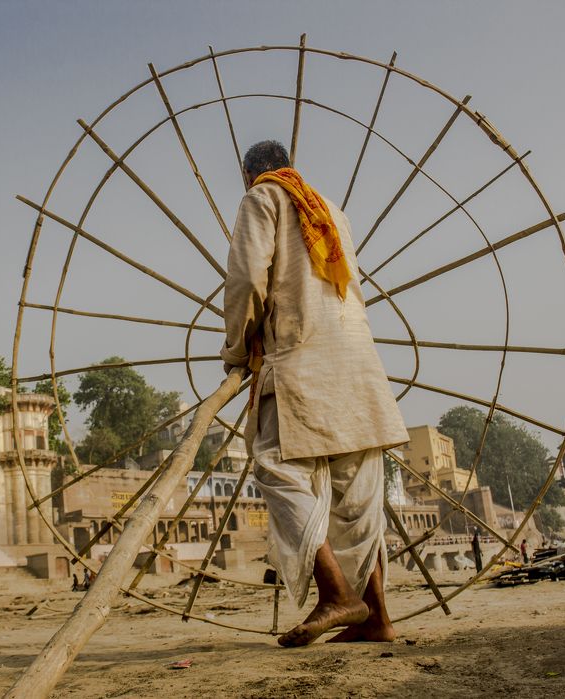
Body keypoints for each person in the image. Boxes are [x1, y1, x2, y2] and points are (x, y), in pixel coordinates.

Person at [221, 140, 408, 647]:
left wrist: (238, 351)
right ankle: (378, 620)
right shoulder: (332, 211)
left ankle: (337, 595)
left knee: (277, 469)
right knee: (354, 499)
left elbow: (245, 282)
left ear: (251, 174)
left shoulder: (263, 198)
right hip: (358, 366)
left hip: (301, 359)